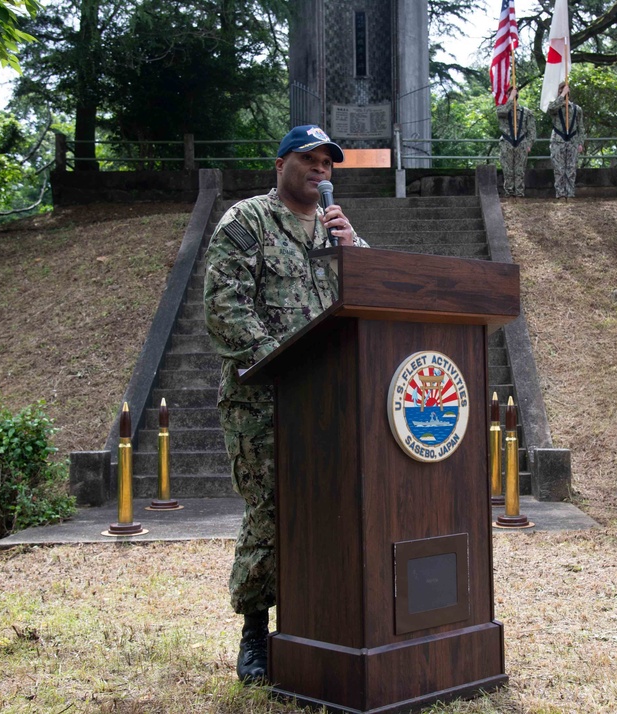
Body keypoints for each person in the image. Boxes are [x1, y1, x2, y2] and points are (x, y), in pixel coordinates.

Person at [202, 124, 368, 683]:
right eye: (308, 159)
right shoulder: (246, 222)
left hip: (333, 400)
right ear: (280, 165)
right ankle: (255, 633)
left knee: (335, 508)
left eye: (327, 162)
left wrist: (352, 251)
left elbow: (377, 293)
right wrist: (290, 366)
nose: (320, 169)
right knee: (270, 515)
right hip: (264, 402)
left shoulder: (336, 228)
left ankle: (323, 621)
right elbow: (226, 308)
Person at [546, 81, 586, 198]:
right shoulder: (555, 106)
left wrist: (580, 143)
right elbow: (551, 109)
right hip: (558, 141)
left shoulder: (577, 109)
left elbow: (581, 127)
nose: (562, 91)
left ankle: (570, 194)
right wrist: (562, 95)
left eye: (565, 89)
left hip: (572, 141)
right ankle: (560, 194)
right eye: (560, 90)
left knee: (571, 169)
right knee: (559, 169)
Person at [497, 87, 536, 197]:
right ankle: (509, 194)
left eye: (515, 91)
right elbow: (504, 111)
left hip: (521, 143)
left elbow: (532, 131)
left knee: (520, 171)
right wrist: (510, 98)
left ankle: (519, 194)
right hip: (506, 143)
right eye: (510, 91)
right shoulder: (501, 109)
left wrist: (529, 144)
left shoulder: (527, 112)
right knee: (507, 171)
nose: (513, 93)